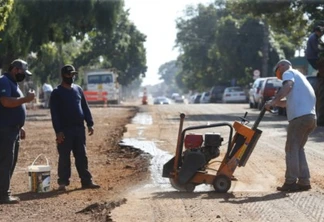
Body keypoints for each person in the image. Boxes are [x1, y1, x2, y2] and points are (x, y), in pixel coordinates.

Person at [265, 59, 316, 192]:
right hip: (310, 117)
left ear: (281, 66)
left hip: (299, 118)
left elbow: (287, 86)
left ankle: (290, 182)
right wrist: (274, 103)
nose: (280, 77)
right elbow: (288, 103)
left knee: (291, 148)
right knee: (299, 148)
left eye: (278, 74)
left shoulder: (288, 73)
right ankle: (304, 181)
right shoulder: (301, 78)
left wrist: (274, 99)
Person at [49, 64, 100, 191]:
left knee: (82, 155)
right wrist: (58, 131)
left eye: (73, 74)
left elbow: (85, 107)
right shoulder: (57, 93)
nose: (71, 77)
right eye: (68, 74)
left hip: (79, 129)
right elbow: (54, 114)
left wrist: (90, 123)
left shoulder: (78, 89)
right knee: (64, 156)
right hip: (65, 130)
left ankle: (86, 181)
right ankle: (63, 182)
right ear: (63, 76)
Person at [0, 59, 35, 204]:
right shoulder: (3, 81)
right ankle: (3, 195)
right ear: (15, 69)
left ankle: (3, 192)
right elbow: (5, 102)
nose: (24, 76)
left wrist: (20, 126)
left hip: (13, 129)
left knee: (11, 162)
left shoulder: (13, 83)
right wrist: (26, 99)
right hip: (5, 130)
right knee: (5, 162)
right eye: (23, 73)